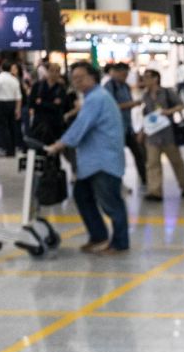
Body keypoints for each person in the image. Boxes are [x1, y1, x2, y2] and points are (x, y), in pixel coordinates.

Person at [45, 62, 128, 254]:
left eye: (80, 78)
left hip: (103, 161)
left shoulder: (97, 98)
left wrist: (59, 145)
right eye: (74, 79)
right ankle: (98, 236)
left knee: (111, 203)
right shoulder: (93, 97)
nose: (77, 82)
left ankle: (120, 243)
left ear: (93, 77)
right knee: (82, 196)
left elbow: (81, 126)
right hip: (93, 161)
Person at [140, 69, 184, 202]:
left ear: (156, 79)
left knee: (176, 162)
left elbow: (181, 106)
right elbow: (146, 114)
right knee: (152, 164)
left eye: (147, 77)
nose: (145, 80)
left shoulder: (167, 92)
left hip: (169, 134)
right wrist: (142, 131)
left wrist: (169, 111)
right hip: (152, 135)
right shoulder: (145, 95)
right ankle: (155, 191)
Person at [103, 62, 147, 187]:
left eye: (126, 75)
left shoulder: (125, 86)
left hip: (128, 127)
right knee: (117, 157)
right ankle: (117, 181)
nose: (125, 77)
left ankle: (145, 179)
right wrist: (131, 104)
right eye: (122, 74)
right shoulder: (109, 86)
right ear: (115, 72)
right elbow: (110, 107)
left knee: (139, 153)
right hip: (115, 129)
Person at [27, 63, 66, 143]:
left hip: (55, 123)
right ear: (47, 72)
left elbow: (59, 106)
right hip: (39, 121)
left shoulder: (61, 88)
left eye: (57, 71)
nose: (54, 74)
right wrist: (51, 103)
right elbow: (32, 102)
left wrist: (41, 103)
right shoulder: (38, 86)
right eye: (52, 71)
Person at [0, 61, 22, 156]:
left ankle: (5, 148)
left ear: (1, 68)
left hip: (1, 104)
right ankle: (12, 149)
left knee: (3, 128)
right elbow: (19, 97)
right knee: (12, 127)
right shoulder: (14, 79)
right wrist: (17, 109)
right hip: (12, 104)